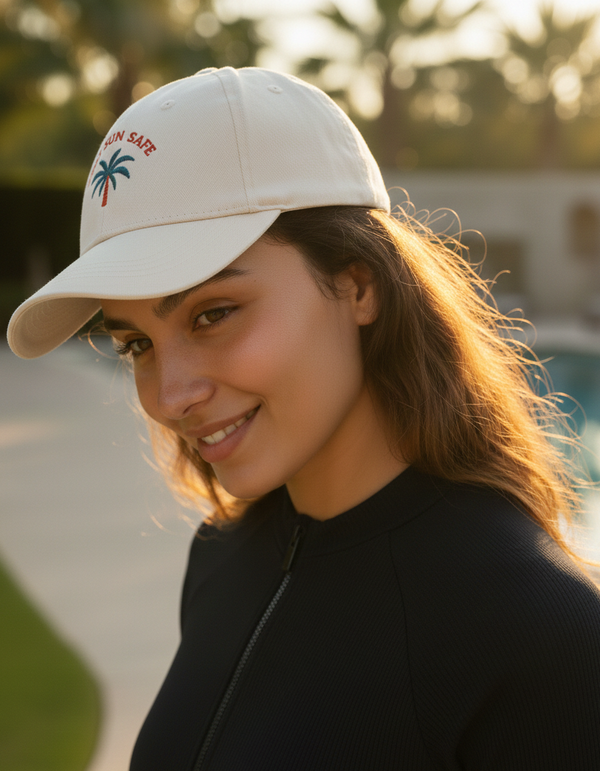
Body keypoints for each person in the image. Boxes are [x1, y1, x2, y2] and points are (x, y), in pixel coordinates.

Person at [7, 67, 600, 770]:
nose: (169, 397)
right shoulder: (222, 556)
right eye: (136, 343)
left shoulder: (544, 637)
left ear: (358, 284)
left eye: (213, 314)